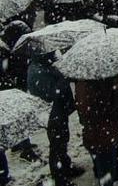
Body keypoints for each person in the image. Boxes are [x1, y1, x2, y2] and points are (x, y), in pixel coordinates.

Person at [27, 51, 84, 186]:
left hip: (57, 111)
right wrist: (62, 79)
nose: (54, 54)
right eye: (50, 53)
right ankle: (60, 178)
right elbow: (51, 93)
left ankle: (65, 166)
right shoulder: (38, 71)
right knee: (57, 145)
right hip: (51, 113)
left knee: (62, 140)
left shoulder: (41, 66)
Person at [74, 77, 118, 186]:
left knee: (102, 163)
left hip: (94, 134)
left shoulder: (82, 83)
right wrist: (117, 92)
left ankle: (111, 173)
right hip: (103, 135)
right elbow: (110, 111)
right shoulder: (99, 85)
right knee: (106, 167)